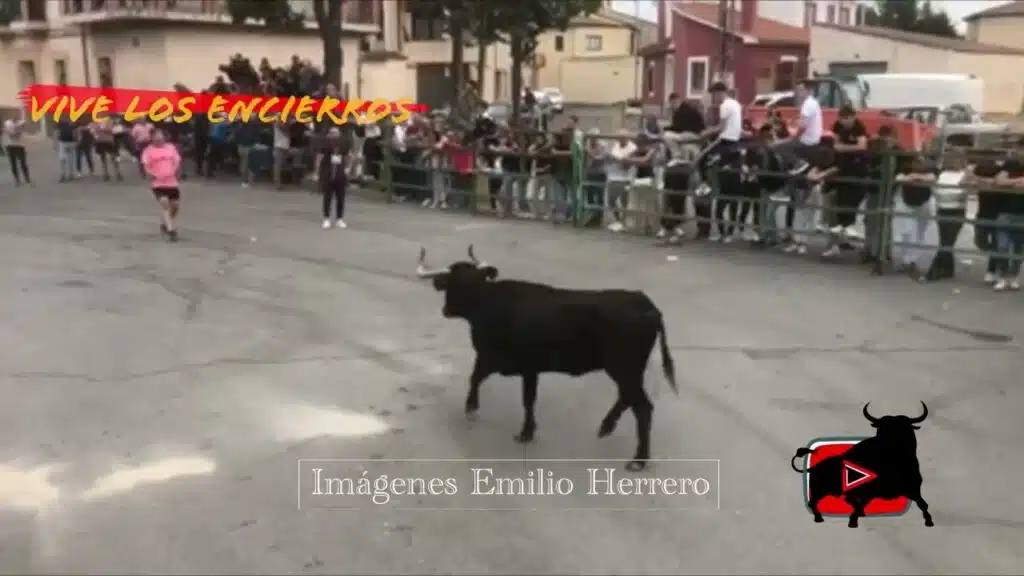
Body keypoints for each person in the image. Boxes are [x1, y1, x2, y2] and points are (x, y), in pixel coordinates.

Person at [697, 82, 744, 238]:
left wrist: (705, 133)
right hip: (735, 142)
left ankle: (704, 183)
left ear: (720, 93)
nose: (714, 98)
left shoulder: (724, 106)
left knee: (702, 159)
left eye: (715, 94)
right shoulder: (736, 104)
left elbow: (721, 128)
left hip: (725, 142)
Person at [891, 155, 938, 280]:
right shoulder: (904, 167)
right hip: (907, 203)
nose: (918, 163)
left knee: (919, 234)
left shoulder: (930, 167)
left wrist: (912, 177)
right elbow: (899, 178)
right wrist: (918, 178)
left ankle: (912, 261)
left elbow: (932, 178)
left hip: (924, 203)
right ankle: (907, 259)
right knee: (907, 232)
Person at [926, 150, 969, 281]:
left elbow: (963, 192)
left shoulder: (965, 174)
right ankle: (948, 269)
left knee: (947, 241)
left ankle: (934, 270)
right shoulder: (943, 174)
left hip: (956, 210)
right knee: (945, 240)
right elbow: (936, 191)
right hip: (943, 209)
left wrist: (945, 194)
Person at [829, 105, 868, 244]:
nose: (845, 122)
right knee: (841, 194)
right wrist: (849, 148)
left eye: (847, 119)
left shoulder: (859, 127)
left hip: (858, 166)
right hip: (843, 165)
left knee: (855, 195)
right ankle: (842, 225)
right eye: (842, 119)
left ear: (853, 117)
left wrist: (844, 148)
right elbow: (835, 145)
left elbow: (862, 146)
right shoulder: (837, 126)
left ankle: (851, 224)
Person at [140, 128, 183, 242]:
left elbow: (177, 161)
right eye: (156, 136)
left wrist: (176, 172)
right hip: (158, 183)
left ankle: (165, 223)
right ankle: (171, 230)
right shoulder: (148, 151)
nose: (158, 138)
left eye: (160, 135)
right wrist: (151, 174)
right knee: (165, 204)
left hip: (172, 182)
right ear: (152, 138)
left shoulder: (171, 148)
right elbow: (146, 166)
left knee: (175, 206)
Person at [774, 79, 822, 173]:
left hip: (807, 141)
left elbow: (802, 127)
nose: (799, 93)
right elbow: (804, 122)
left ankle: (798, 163)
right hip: (814, 139)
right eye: (798, 90)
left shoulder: (807, 104)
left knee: (778, 146)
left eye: (801, 90)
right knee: (784, 142)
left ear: (808, 90)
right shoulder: (813, 102)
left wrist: (793, 138)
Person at [992, 153, 1024, 291]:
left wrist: (1010, 182)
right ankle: (1003, 276)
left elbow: (1004, 182)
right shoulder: (1011, 164)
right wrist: (1019, 181)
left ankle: (1013, 277)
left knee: (1019, 247)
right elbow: (999, 181)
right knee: (1002, 246)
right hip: (1005, 211)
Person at [971, 158, 1004, 284]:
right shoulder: (981, 179)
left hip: (998, 214)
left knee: (996, 242)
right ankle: (1000, 257)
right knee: (980, 242)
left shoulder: (998, 176)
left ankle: (992, 271)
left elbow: (994, 182)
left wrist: (977, 179)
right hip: (982, 214)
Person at [317, 127, 353, 229]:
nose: (334, 135)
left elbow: (349, 156)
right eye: (332, 133)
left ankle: (339, 219)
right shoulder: (325, 143)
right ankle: (326, 218)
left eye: (336, 133)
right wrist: (317, 171)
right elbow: (319, 157)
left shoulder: (344, 144)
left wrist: (348, 168)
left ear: (339, 134)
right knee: (327, 197)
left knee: (340, 197)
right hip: (328, 172)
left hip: (340, 173)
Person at [3, 113, 30, 185]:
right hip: (10, 145)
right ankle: (17, 180)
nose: (15, 117)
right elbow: (11, 133)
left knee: (23, 163)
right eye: (13, 116)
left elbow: (25, 126)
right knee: (13, 163)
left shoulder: (21, 122)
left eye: (16, 116)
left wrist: (19, 128)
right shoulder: (7, 123)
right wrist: (17, 129)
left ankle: (27, 178)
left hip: (20, 145)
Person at [91, 117, 122, 181]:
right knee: (103, 158)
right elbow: (93, 130)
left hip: (109, 141)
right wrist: (102, 129)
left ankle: (117, 172)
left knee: (113, 156)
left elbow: (113, 129)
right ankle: (106, 173)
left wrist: (102, 129)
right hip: (101, 141)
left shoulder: (109, 120)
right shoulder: (96, 121)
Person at [55, 117, 77, 182]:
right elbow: (57, 132)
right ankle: (65, 174)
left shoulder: (71, 120)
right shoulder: (60, 122)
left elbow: (75, 131)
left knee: (68, 159)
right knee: (64, 159)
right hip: (64, 142)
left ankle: (68, 175)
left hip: (69, 142)